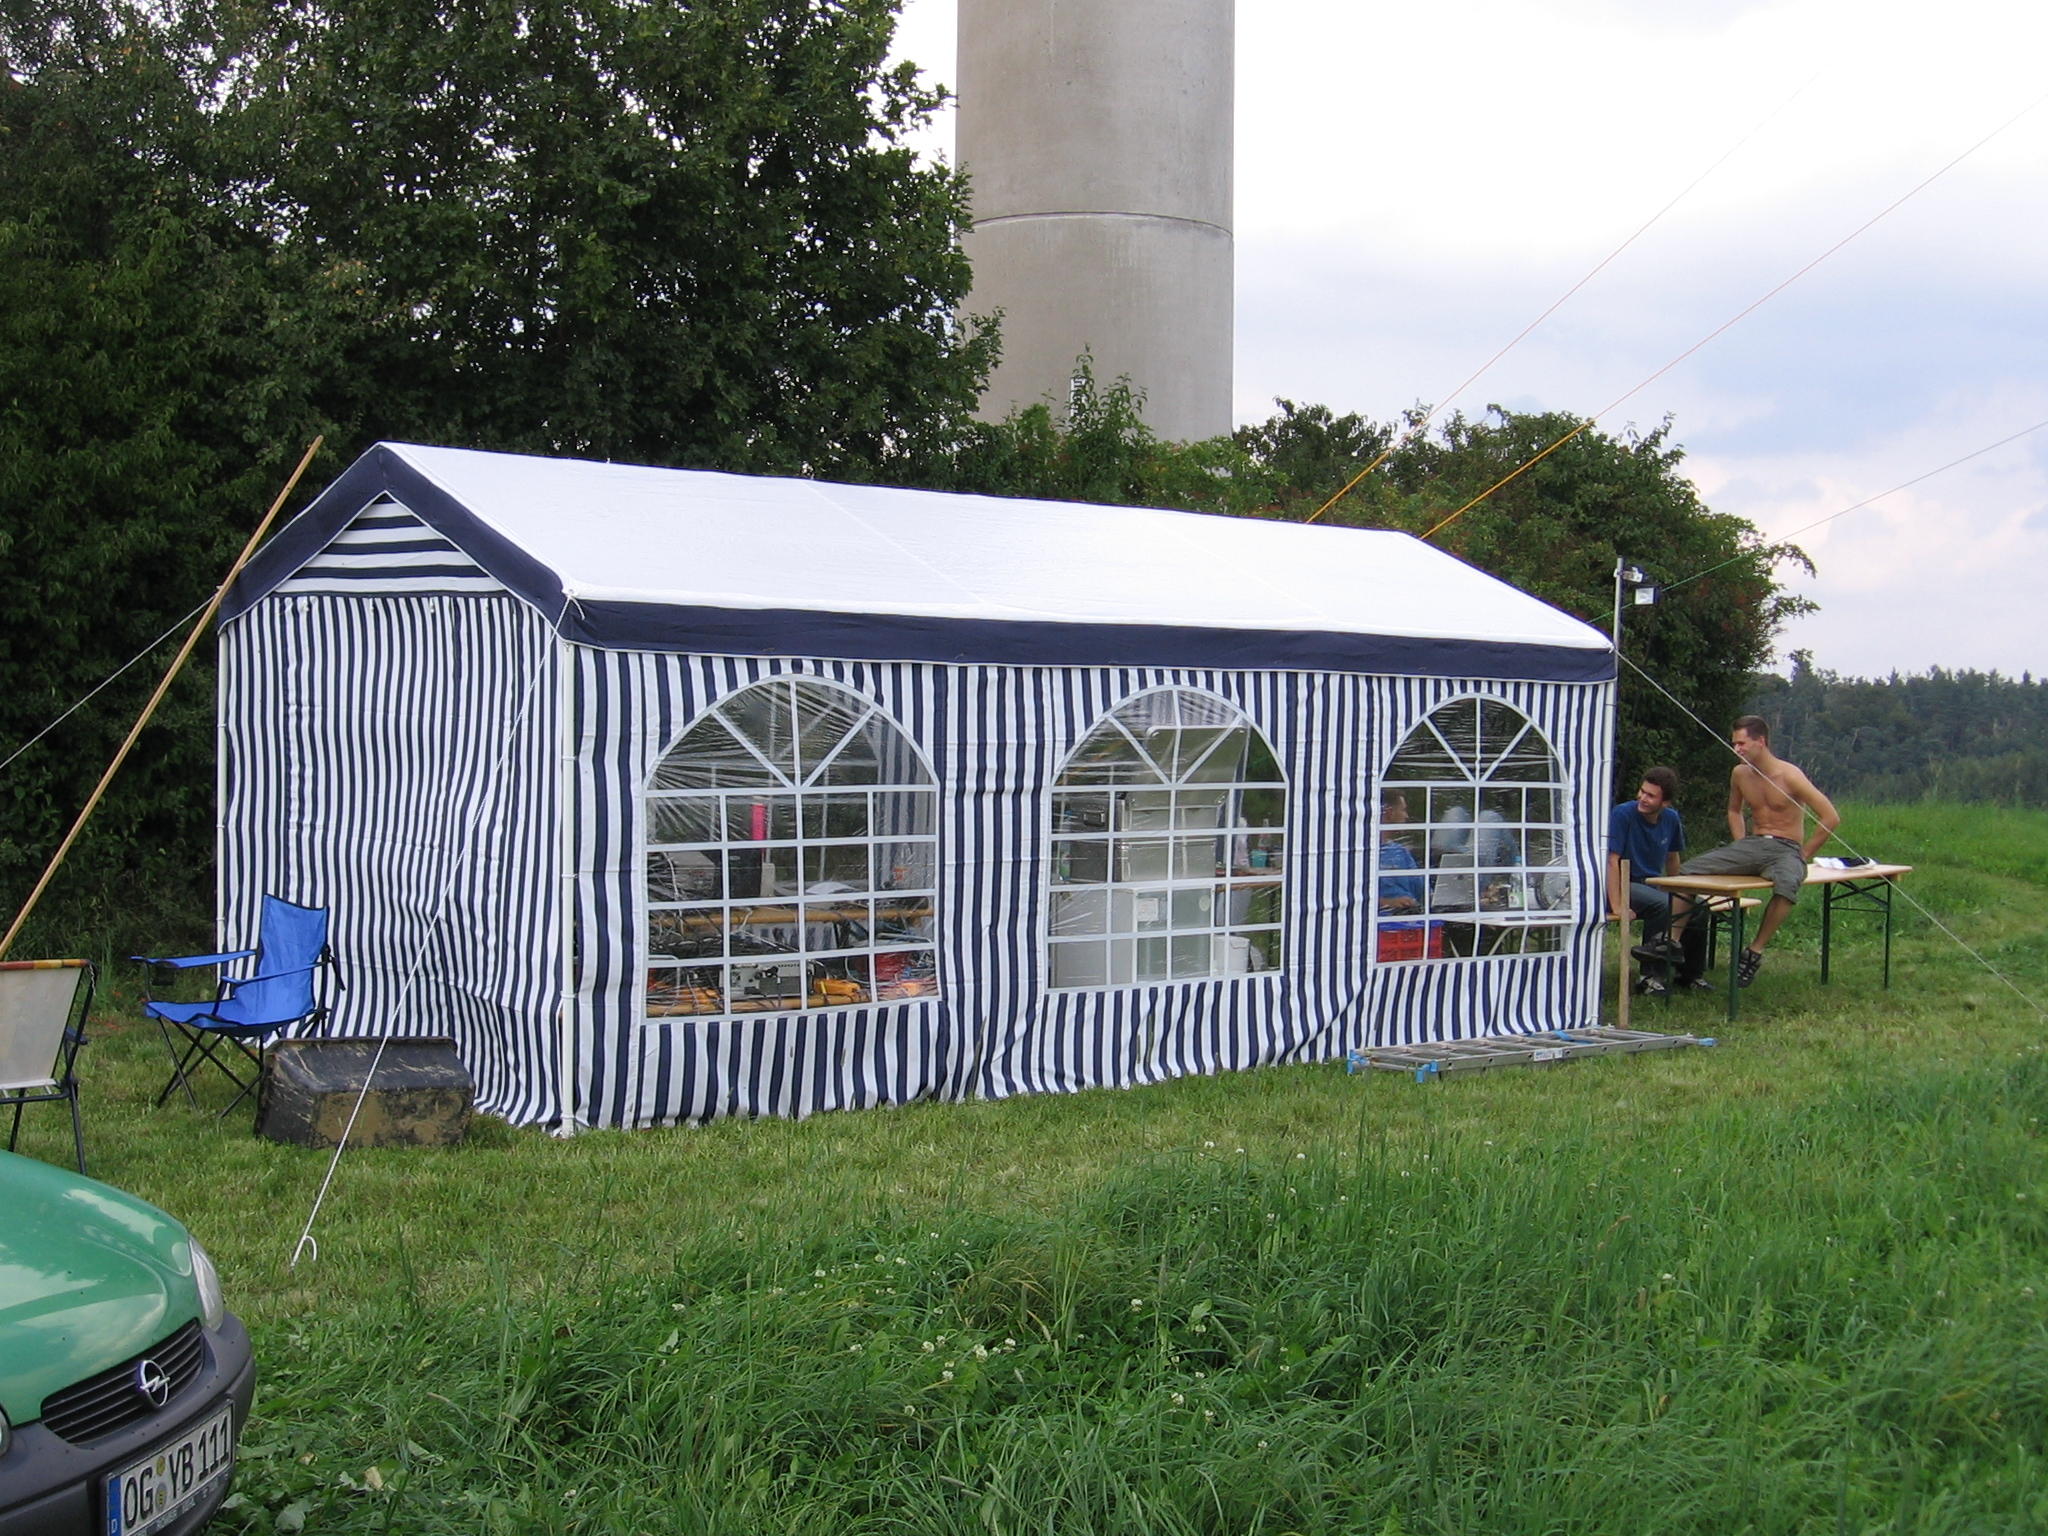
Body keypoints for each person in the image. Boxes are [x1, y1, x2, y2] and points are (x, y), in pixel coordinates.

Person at [1650, 715, 1840, 989]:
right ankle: (1672, 941)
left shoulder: (1789, 775)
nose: (1736, 749)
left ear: (1760, 742)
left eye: (1741, 744)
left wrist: (1804, 853)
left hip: (1786, 847)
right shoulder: (1740, 773)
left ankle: (1754, 952)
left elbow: (1830, 817)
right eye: (1734, 744)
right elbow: (1734, 810)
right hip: (1752, 844)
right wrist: (1740, 841)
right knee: (1687, 871)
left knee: (1787, 884)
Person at [1607, 766, 1685, 995]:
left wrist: (1679, 888)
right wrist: (1618, 906)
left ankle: (1690, 974)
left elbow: (1673, 857)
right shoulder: (1622, 814)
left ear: (1665, 802)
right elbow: (1611, 861)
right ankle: (1649, 977)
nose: (1642, 798)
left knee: (1693, 904)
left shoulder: (1671, 818)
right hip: (1624, 882)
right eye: (1642, 791)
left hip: (1651, 882)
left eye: (1651, 796)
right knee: (1664, 905)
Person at [1376, 791, 1425, 915]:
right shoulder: (1363, 854)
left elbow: (1421, 890)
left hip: (1411, 915)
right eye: (1403, 810)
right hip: (1384, 920)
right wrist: (1385, 903)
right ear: (1389, 813)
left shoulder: (1401, 852)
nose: (1406, 816)